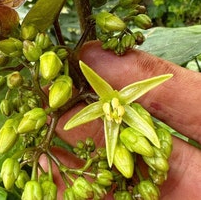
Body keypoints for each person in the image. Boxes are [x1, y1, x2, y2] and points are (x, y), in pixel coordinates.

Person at [50, 40, 201, 200]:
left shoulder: (118, 112)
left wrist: (150, 135)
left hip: (122, 108)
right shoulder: (112, 113)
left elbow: (147, 87)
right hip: (115, 107)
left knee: (145, 142)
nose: (114, 113)